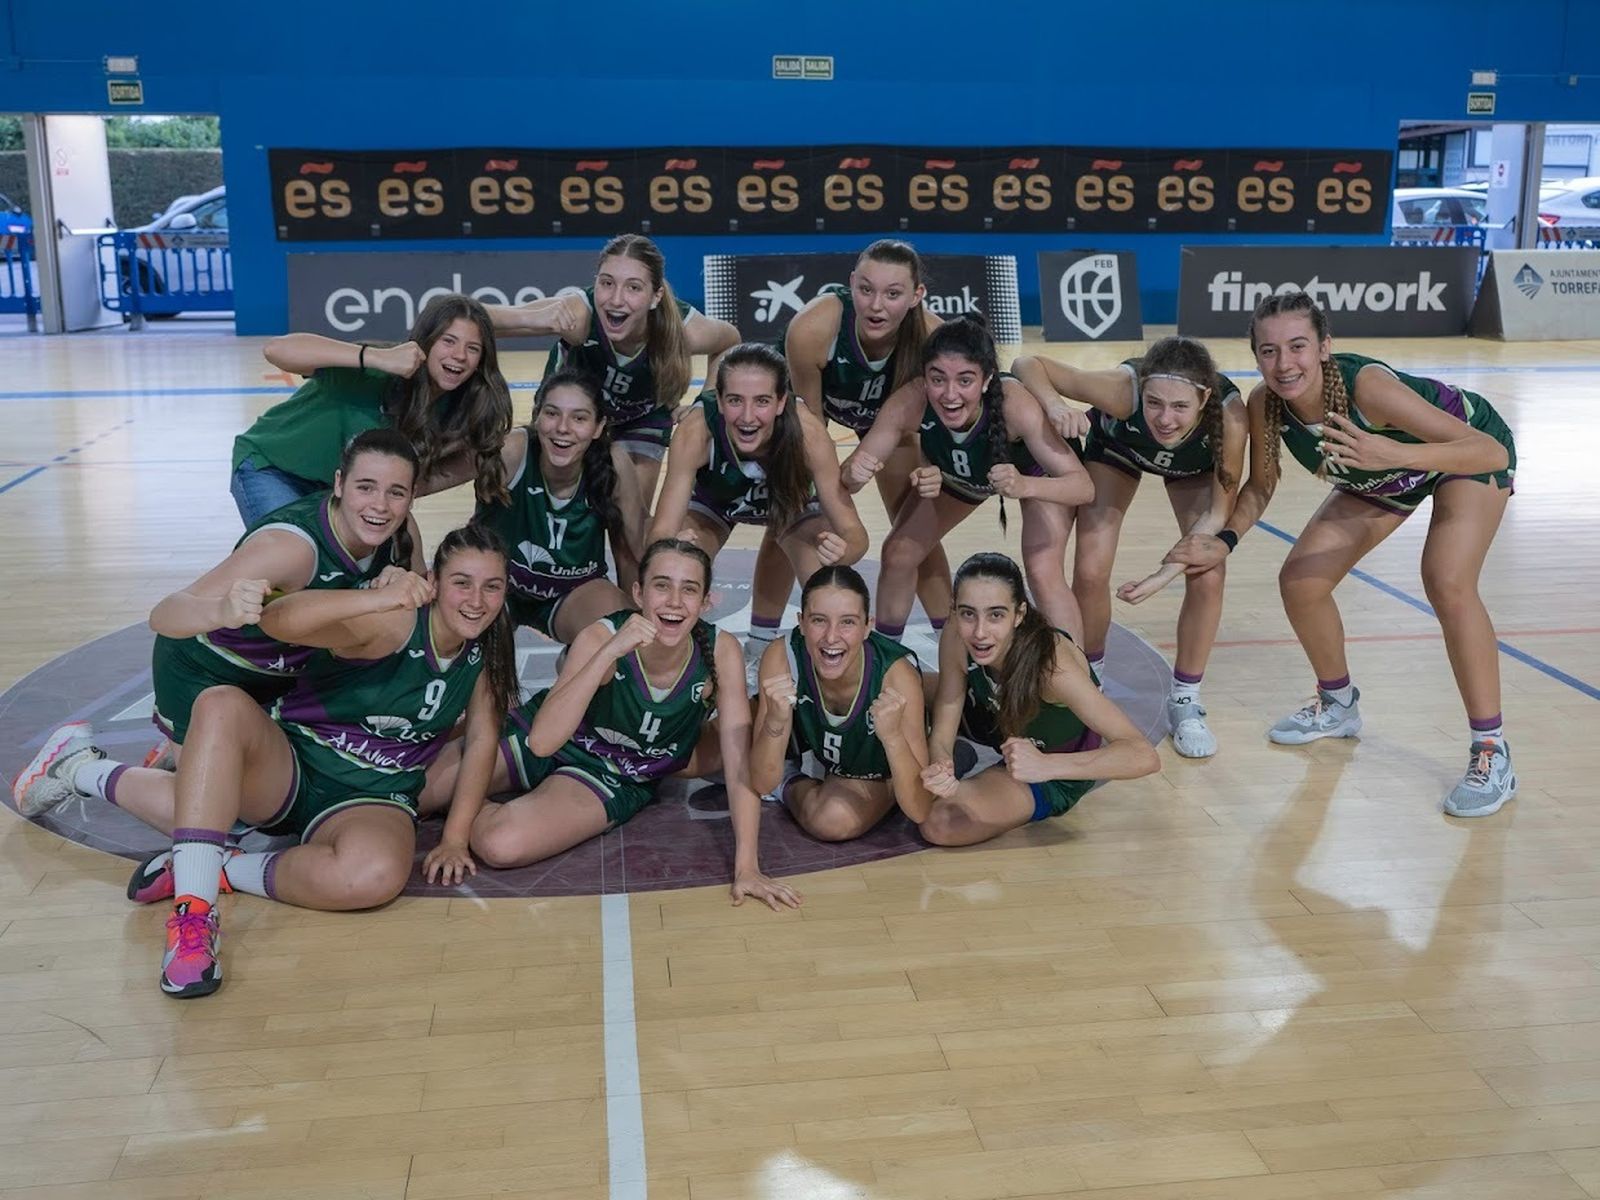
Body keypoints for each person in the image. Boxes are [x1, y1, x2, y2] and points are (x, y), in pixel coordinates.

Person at [26, 526, 517, 999]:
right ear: (433, 581)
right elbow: (279, 620)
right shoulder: (392, 620)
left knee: (371, 877)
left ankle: (213, 863)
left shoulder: (486, 653)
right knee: (219, 707)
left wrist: (454, 839)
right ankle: (191, 910)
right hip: (292, 764)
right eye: (462, 583)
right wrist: (377, 596)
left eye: (491, 587)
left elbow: (481, 740)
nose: (476, 599)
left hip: (372, 796)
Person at [1165, 291, 1519, 816]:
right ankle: (1338, 703)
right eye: (1268, 351)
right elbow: (1260, 488)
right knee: (1301, 582)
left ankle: (1492, 750)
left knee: (1446, 580)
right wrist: (1224, 541)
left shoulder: (1368, 389)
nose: (1284, 364)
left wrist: (1390, 451)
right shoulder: (1267, 404)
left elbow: (1487, 451)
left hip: (1462, 453)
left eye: (1298, 346)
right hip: (1385, 471)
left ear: (1325, 346)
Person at [12, 429, 425, 827]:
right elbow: (166, 614)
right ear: (339, 484)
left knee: (293, 788)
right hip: (207, 675)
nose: (380, 506)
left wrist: (398, 587)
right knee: (207, 817)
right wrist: (223, 610)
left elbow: (417, 624)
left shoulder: (401, 535)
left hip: (285, 684)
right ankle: (78, 765)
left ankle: (194, 756)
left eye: (396, 492)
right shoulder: (290, 549)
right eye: (365, 487)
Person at [420, 538, 802, 910]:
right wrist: (609, 654)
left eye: (688, 590)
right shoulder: (601, 635)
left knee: (500, 844)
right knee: (416, 792)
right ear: (638, 593)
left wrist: (748, 867)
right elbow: (542, 742)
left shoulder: (721, 651)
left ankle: (467, 804)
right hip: (551, 732)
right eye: (661, 586)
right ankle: (457, 787)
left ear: (705, 602)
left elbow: (737, 762)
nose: (673, 601)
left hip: (613, 774)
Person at [1012, 337, 1247, 758]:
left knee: (1208, 571)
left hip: (1192, 465)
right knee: (1089, 568)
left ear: (1205, 397)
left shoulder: (1229, 419)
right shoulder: (1122, 390)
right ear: (1141, 389)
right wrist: (1055, 406)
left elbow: (1217, 514)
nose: (1165, 418)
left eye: (1179, 407)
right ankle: (1091, 677)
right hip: (1119, 450)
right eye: (1154, 403)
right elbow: (1027, 362)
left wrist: (1162, 576)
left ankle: (1185, 700)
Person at [740, 239, 944, 653]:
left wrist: (881, 458)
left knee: (917, 527)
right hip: (805, 416)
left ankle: (953, 639)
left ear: (917, 295)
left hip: (893, 424)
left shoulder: (931, 340)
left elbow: (919, 423)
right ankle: (759, 643)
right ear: (851, 283)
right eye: (866, 289)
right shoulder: (813, 328)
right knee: (790, 510)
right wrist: (834, 488)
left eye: (893, 293)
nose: (876, 305)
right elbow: (811, 429)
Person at [842, 316, 1093, 641]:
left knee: (1043, 571)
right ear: (924, 376)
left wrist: (1024, 485)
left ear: (987, 380)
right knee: (898, 553)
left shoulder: (1017, 407)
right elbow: (851, 475)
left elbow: (1082, 487)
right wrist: (855, 472)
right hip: (966, 473)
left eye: (965, 380)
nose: (949, 394)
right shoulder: (909, 401)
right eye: (938, 379)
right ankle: (886, 659)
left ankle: (1075, 676)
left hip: (1035, 474)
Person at [899, 552, 1158, 846]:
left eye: (996, 614)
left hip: (1050, 763)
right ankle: (960, 758)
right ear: (955, 611)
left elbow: (1142, 755)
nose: (980, 631)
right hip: (995, 722)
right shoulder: (957, 634)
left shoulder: (1052, 667)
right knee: (899, 685)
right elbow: (946, 722)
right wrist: (941, 763)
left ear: (1019, 614)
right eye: (968, 613)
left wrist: (1046, 767)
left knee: (942, 824)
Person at [485, 234, 740, 506]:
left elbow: (731, 342)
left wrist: (704, 405)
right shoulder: (579, 315)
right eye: (607, 283)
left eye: (633, 288)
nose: (616, 299)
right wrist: (535, 319)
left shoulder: (684, 330)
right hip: (570, 415)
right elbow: (479, 319)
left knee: (630, 528)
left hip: (642, 418)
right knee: (554, 507)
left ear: (656, 296)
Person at [231, 293, 512, 525]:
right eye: (448, 341)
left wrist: (397, 493)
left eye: (473, 348)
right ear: (426, 340)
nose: (460, 356)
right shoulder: (376, 369)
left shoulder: (464, 407)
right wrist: (374, 356)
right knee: (290, 555)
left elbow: (475, 459)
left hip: (337, 492)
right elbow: (276, 350)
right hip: (273, 468)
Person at [648, 342, 868, 598]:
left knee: (826, 582)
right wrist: (673, 547)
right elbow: (660, 532)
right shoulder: (695, 432)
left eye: (762, 401)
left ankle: (761, 637)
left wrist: (843, 553)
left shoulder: (809, 435)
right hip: (715, 503)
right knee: (678, 567)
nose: (748, 417)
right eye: (735, 401)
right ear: (718, 401)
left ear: (781, 402)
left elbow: (855, 534)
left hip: (793, 505)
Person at [450, 369, 647, 642]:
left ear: (599, 427)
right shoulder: (512, 451)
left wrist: (639, 618)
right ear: (536, 416)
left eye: (579, 418)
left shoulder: (613, 465)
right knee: (462, 644)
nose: (563, 427)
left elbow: (633, 551)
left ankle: (574, 665)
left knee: (624, 640)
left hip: (574, 593)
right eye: (552, 413)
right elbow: (433, 476)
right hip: (498, 584)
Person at [750, 565, 930, 841]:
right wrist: (774, 724)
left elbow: (919, 810)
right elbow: (762, 783)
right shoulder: (782, 656)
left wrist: (893, 738)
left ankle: (951, 753)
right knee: (727, 752)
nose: (831, 636)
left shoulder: (895, 677)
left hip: (875, 772)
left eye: (847, 622)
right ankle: (792, 774)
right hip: (822, 749)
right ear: (801, 622)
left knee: (832, 820)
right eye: (819, 620)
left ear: (867, 626)